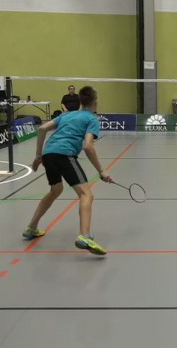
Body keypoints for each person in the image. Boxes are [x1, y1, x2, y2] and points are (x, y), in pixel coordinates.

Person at [23, 86, 114, 255]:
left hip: (49, 154)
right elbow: (88, 146)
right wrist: (102, 171)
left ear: (80, 102)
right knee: (86, 194)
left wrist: (38, 156)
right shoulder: (91, 119)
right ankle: (84, 236)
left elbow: (42, 129)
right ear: (95, 103)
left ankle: (31, 228)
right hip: (65, 155)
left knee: (56, 190)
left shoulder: (66, 115)